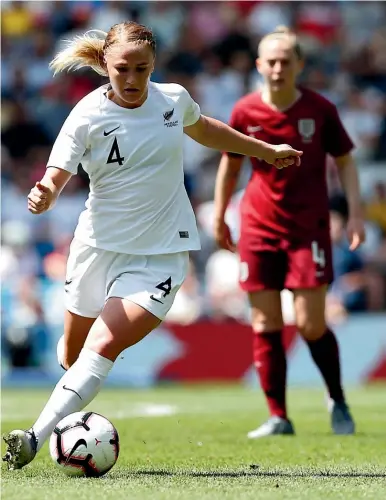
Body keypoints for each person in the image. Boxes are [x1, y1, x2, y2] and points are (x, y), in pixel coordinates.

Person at [2, 21, 302, 470]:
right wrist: (44, 192)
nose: (131, 78)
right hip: (96, 248)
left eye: (141, 69)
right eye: (122, 68)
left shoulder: (173, 99)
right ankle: (72, 418)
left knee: (102, 345)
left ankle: (33, 437)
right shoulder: (86, 115)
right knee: (72, 353)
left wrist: (263, 150)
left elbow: (208, 130)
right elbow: (56, 174)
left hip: (160, 255)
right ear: (105, 64)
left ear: (153, 65)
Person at [213, 26, 365, 438]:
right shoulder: (245, 111)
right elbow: (230, 163)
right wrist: (221, 212)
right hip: (258, 226)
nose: (278, 68)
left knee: (310, 323)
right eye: (271, 61)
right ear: (259, 65)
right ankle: (278, 416)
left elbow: (346, 161)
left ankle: (336, 397)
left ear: (299, 65)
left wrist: (354, 213)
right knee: (264, 322)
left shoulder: (320, 110)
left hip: (307, 228)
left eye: (286, 61)